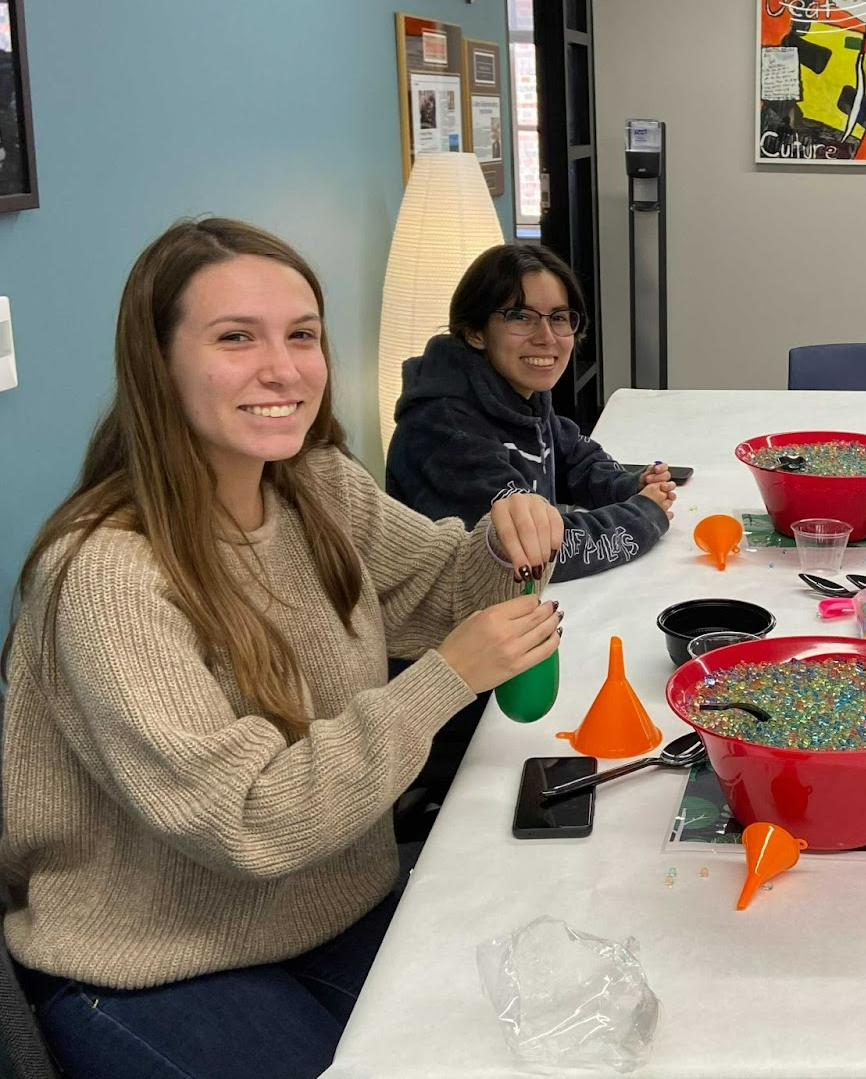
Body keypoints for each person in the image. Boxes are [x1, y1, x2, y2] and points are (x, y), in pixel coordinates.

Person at [0, 219, 564, 1079]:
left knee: (539, 1040)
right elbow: (248, 821)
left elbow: (443, 590)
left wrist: (501, 545)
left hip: (330, 907)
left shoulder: (315, 485)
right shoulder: (108, 574)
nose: (283, 369)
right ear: (158, 364)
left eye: (302, 335)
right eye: (236, 338)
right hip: (157, 961)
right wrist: (447, 679)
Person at [386, 242, 674, 583]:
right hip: (455, 625)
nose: (547, 337)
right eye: (520, 316)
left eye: (559, 317)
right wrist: (644, 515)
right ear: (475, 331)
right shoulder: (444, 430)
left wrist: (628, 485)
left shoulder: (518, 394)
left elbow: (575, 457)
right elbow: (535, 550)